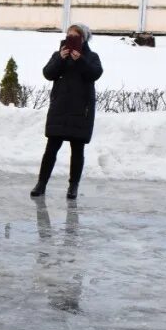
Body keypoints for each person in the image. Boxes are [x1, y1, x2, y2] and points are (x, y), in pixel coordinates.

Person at [30, 23, 103, 200]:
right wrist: (60, 59)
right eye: (69, 35)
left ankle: (73, 186)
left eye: (75, 36)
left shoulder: (91, 57)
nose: (71, 39)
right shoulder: (58, 55)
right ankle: (41, 184)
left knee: (77, 150)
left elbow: (95, 73)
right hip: (60, 108)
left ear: (83, 39)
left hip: (80, 110)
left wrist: (81, 60)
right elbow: (48, 73)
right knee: (51, 149)